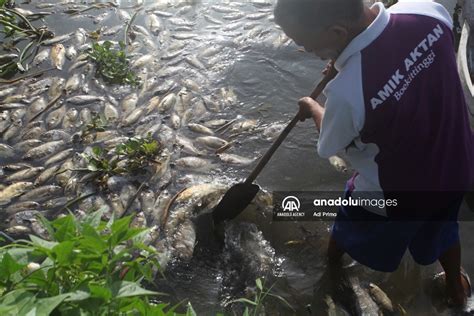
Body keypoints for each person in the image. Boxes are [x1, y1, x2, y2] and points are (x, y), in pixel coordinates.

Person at [274, 0, 474, 307]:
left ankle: (331, 267)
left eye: (308, 45)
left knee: (348, 224)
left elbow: (329, 144)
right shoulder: (427, 11)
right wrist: (346, 59)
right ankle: (456, 291)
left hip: (395, 195)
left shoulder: (346, 91)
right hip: (456, 164)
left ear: (338, 31)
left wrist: (313, 107)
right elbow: (398, 59)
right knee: (443, 227)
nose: (309, 51)